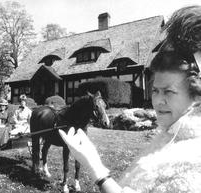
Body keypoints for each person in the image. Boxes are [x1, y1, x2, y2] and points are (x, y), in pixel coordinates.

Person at [59, 6, 201, 193]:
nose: (158, 101)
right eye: (155, 90)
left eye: (169, 92)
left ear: (197, 96)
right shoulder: (166, 138)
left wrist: (98, 171)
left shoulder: (193, 164)